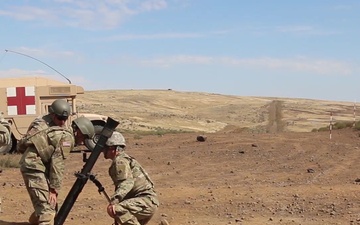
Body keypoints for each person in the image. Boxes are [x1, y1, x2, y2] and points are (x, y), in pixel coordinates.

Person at [18, 99, 95, 225]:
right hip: (34, 167)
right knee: (48, 210)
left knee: (50, 205)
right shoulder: (67, 138)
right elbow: (57, 164)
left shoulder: (47, 124)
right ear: (79, 131)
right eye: (84, 137)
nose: (82, 141)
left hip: (35, 165)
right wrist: (54, 189)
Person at [103, 131, 160, 225]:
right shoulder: (124, 159)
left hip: (144, 201)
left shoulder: (120, 161)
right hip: (145, 202)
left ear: (112, 148)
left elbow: (127, 183)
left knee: (115, 210)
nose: (103, 151)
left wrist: (114, 201)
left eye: (105, 148)